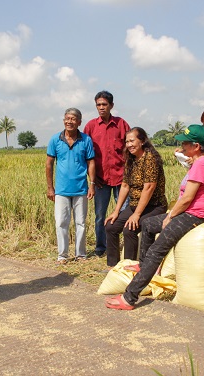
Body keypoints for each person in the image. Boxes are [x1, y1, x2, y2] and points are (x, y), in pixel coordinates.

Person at [104, 125, 204, 310]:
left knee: (157, 251)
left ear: (196, 146)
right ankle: (143, 265)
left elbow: (188, 198)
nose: (182, 147)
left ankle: (129, 297)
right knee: (148, 224)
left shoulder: (201, 164)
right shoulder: (198, 163)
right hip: (188, 212)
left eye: (185, 144)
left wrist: (170, 216)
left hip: (193, 215)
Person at [104, 127, 168, 268]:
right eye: (127, 142)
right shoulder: (131, 159)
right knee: (111, 226)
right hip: (134, 204)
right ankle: (114, 267)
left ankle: (130, 267)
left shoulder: (150, 158)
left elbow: (149, 187)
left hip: (154, 206)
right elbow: (125, 186)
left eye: (132, 141)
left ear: (142, 141)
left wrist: (137, 215)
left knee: (130, 229)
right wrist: (117, 211)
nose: (129, 145)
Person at [84, 91, 130, 257]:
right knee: (99, 215)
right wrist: (93, 178)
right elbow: (86, 155)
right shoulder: (90, 127)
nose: (101, 108)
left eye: (104, 104)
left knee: (124, 214)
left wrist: (128, 175)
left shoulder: (121, 124)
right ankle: (101, 247)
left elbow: (130, 149)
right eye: (98, 105)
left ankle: (125, 247)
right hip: (100, 180)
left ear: (111, 105)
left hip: (121, 178)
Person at [47, 108, 96, 264]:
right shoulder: (55, 140)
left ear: (79, 122)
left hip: (81, 188)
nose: (70, 121)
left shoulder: (86, 140)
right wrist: (50, 188)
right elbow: (49, 164)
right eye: (67, 118)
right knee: (61, 222)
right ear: (63, 121)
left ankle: (81, 254)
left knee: (80, 223)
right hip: (61, 190)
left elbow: (91, 163)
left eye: (73, 119)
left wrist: (92, 184)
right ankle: (62, 255)